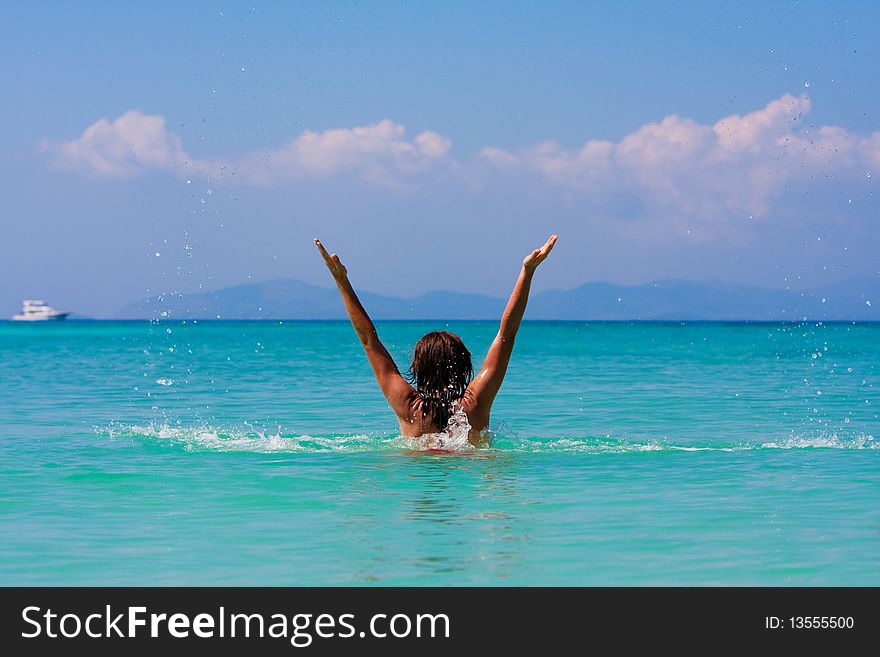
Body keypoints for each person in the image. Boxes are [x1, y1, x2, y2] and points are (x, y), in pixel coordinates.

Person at [315, 234, 557, 446]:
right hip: (470, 473)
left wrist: (341, 280)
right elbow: (506, 334)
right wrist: (528, 272)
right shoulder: (475, 404)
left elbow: (369, 339)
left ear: (418, 368)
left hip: (417, 473)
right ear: (463, 366)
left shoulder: (408, 407)